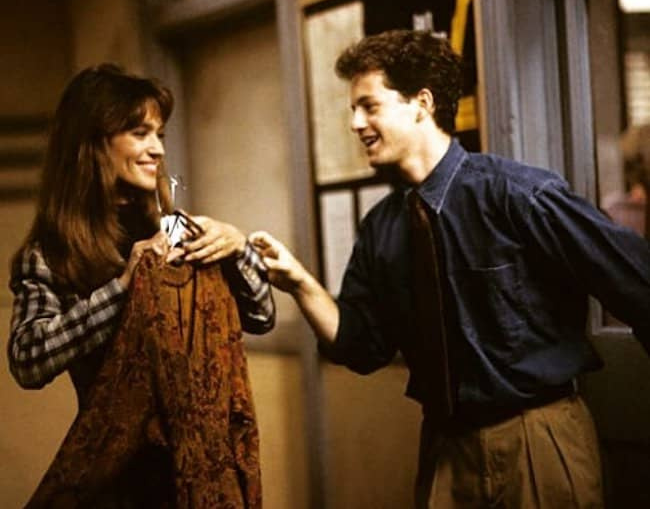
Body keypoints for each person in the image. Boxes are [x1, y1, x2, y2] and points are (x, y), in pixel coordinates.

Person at [250, 30, 650, 508]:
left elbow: (637, 282)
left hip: (537, 438)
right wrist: (299, 282)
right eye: (353, 109)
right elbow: (360, 346)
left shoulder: (517, 194)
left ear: (422, 103)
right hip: (445, 451)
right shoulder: (382, 227)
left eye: (369, 106)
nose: (355, 123)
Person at [8, 63, 275, 504]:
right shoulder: (52, 253)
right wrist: (123, 288)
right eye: (140, 133)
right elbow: (27, 360)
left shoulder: (173, 230)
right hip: (115, 482)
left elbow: (262, 316)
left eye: (160, 134)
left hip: (195, 477)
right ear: (93, 142)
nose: (157, 149)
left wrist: (237, 247)